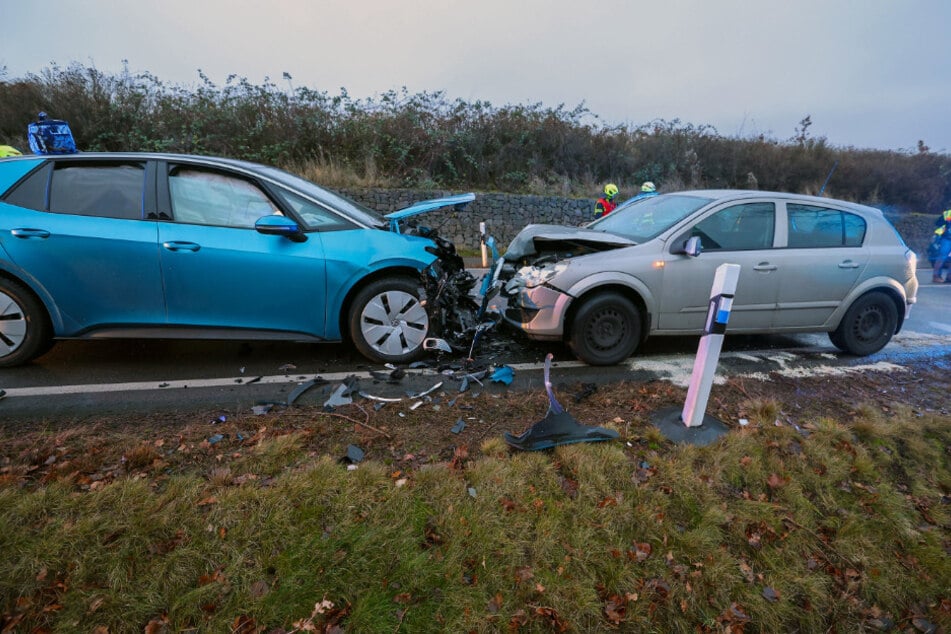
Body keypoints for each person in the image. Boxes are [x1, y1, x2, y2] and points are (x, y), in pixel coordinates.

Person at [932, 208, 951, 283]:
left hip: (947, 238)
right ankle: (936, 276)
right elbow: (939, 223)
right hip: (946, 238)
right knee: (942, 257)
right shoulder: (948, 213)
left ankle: (949, 277)